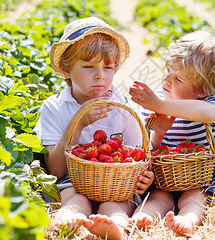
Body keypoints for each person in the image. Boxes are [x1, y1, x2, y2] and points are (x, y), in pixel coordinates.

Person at [34, 17, 154, 240]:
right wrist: (77, 125)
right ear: (66, 68)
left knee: (115, 205)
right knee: (76, 200)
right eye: (89, 66)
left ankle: (116, 227)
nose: (100, 75)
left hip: (117, 185)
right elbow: (55, 171)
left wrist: (145, 177)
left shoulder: (125, 111)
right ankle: (67, 220)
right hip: (72, 183)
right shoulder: (54, 107)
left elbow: (137, 159)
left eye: (108, 67)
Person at [128, 30, 215, 237]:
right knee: (159, 196)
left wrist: (160, 104)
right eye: (167, 70)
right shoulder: (159, 99)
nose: (166, 79)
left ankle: (188, 220)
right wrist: (157, 134)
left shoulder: (212, 102)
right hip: (167, 176)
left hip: (203, 176)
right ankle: (142, 217)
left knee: (195, 196)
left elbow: (209, 114)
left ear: (202, 90)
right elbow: (150, 149)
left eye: (177, 78)